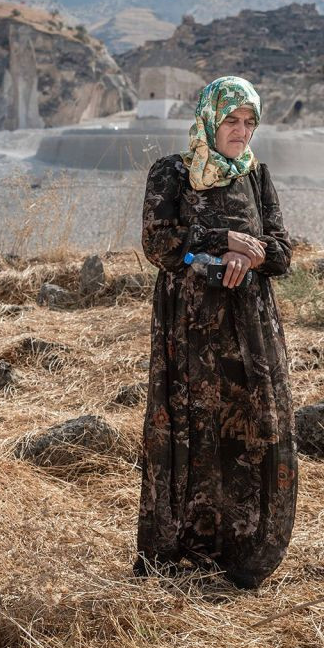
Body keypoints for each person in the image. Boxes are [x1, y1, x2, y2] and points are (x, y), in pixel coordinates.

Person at [134, 76, 297, 589]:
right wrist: (217, 240)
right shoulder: (173, 174)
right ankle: (179, 551)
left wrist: (255, 253)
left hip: (249, 328)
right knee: (190, 426)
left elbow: (284, 253)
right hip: (190, 328)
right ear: (209, 118)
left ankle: (244, 552)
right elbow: (162, 247)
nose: (242, 132)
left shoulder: (257, 177)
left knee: (249, 427)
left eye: (250, 122)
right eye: (232, 120)